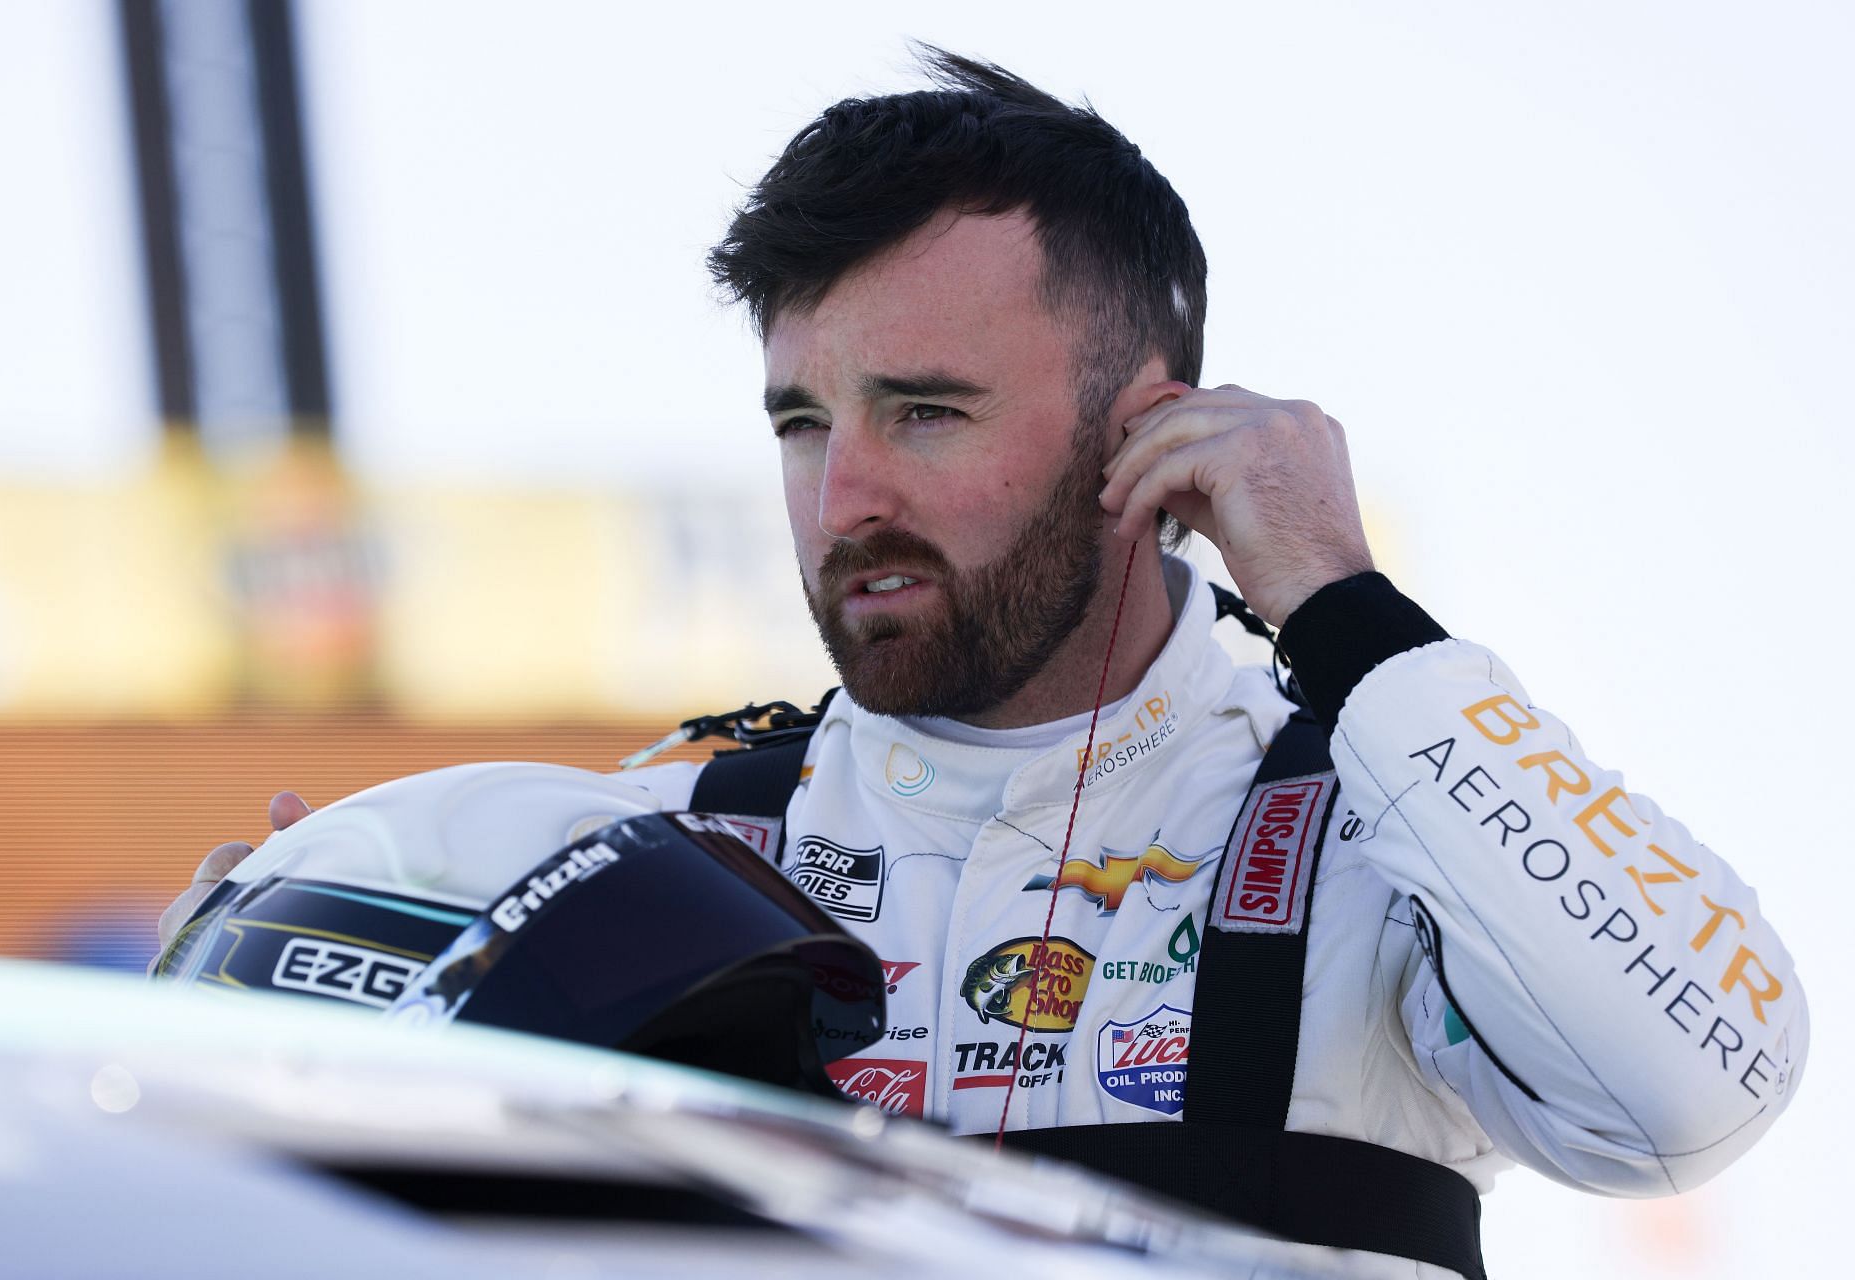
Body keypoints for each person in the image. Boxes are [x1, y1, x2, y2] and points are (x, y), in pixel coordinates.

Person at [160, 49, 1806, 1277]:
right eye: (803, 421)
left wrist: (1341, 604)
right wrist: (258, 1030)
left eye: (925, 411)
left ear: (1152, 425)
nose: (845, 493)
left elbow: (1694, 1094)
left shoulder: (1385, 824)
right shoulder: (670, 850)